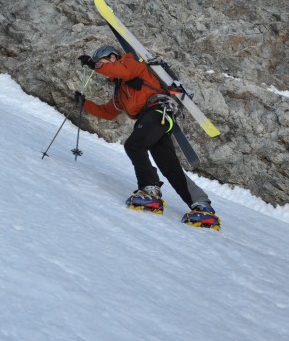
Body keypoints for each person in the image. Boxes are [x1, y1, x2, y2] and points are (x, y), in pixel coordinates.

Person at [75, 45, 220, 229]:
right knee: (169, 166)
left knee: (134, 146)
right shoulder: (120, 91)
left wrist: (94, 65)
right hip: (152, 119)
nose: (100, 66)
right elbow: (108, 112)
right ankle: (202, 206)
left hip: (158, 111)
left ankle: (149, 189)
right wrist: (83, 104)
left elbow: (122, 71)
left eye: (102, 62)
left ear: (113, 57)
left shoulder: (130, 63)